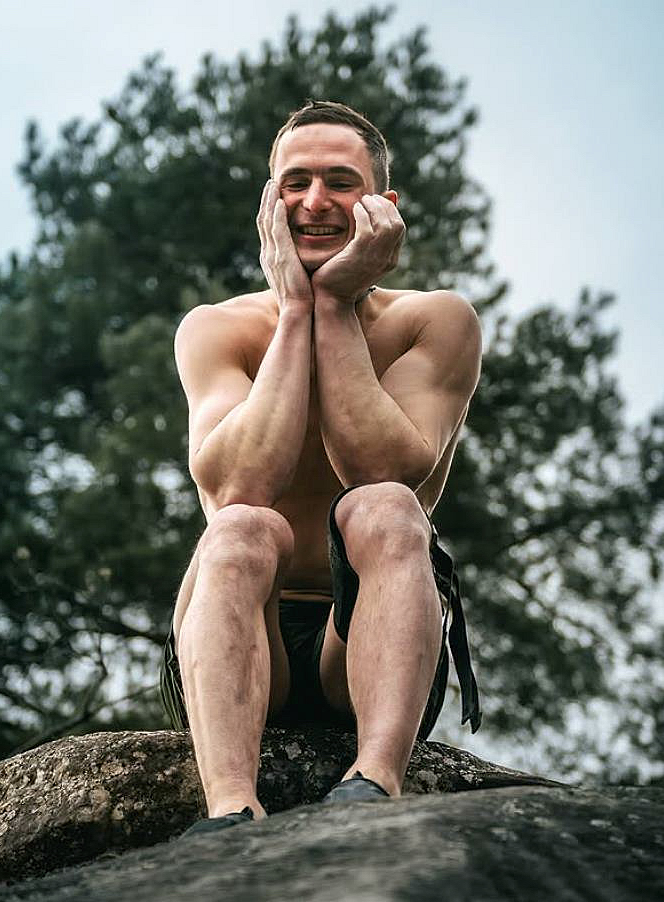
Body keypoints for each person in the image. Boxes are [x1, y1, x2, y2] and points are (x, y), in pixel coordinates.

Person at [159, 100, 482, 834]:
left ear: (383, 207)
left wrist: (331, 302)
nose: (314, 202)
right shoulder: (216, 328)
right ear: (270, 201)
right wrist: (295, 312)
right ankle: (229, 807)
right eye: (295, 182)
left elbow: (381, 470)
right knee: (241, 526)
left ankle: (376, 779)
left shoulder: (435, 320)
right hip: (240, 637)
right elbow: (238, 484)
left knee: (386, 510)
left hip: (371, 639)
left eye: (341, 181)